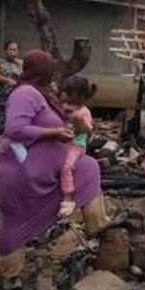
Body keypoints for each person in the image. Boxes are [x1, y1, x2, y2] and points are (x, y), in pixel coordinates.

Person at [0, 50, 107, 290]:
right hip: (23, 170)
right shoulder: (24, 93)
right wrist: (53, 134)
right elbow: (15, 129)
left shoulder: (42, 94)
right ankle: (10, 273)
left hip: (43, 169)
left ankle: (100, 231)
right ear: (43, 71)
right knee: (16, 218)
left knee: (88, 168)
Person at [57, 75, 96, 218]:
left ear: (78, 96)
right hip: (63, 142)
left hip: (76, 144)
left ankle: (68, 197)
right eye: (64, 92)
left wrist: (79, 121)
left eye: (68, 93)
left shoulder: (83, 111)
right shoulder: (64, 106)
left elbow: (89, 130)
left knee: (66, 167)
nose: (64, 95)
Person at [0, 40, 23, 152]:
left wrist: (20, 66)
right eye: (10, 49)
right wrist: (7, 80)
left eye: (15, 50)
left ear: (18, 51)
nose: (12, 52)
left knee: (11, 123)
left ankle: (8, 149)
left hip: (14, 99)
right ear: (6, 51)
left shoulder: (20, 64)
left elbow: (23, 79)